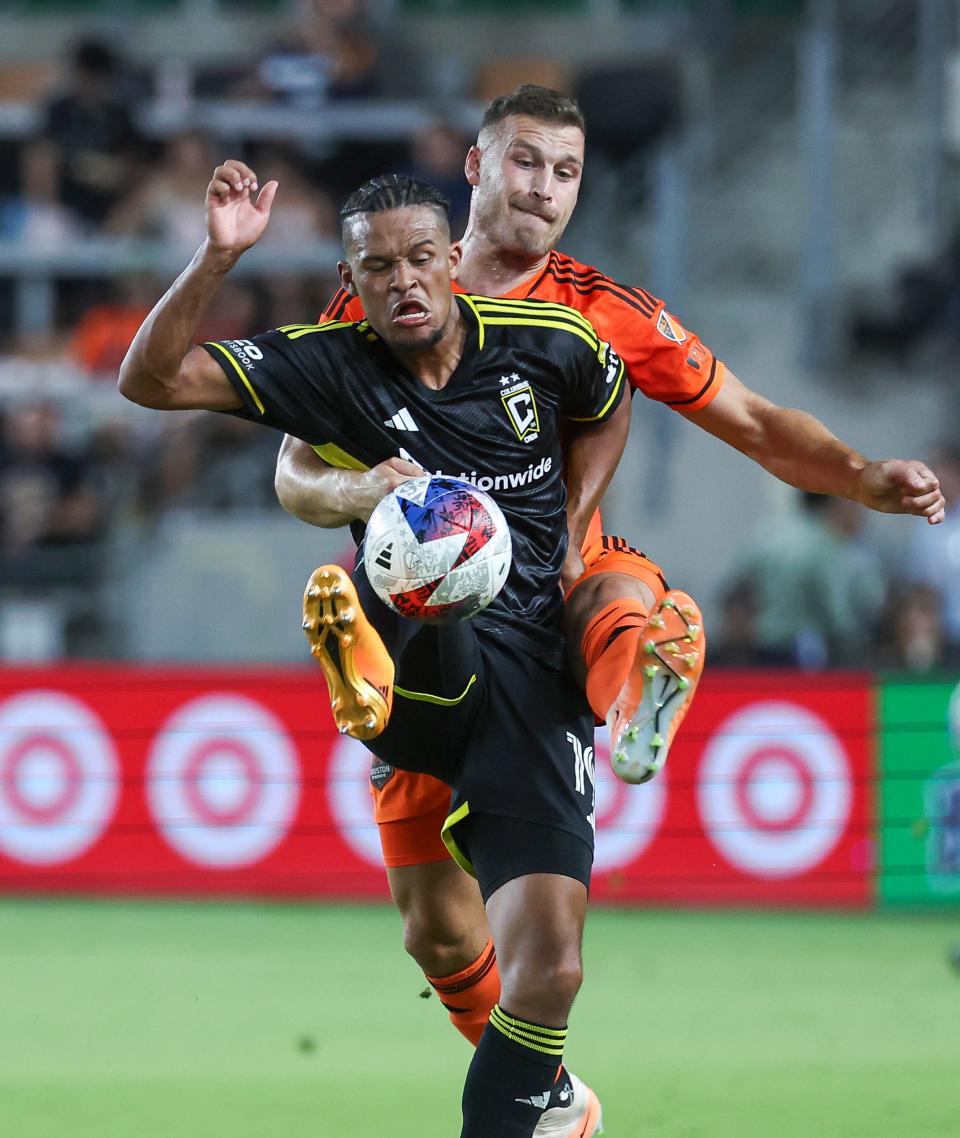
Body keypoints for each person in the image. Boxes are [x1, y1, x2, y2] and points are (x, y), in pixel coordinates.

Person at [273, 84, 946, 1090]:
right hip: (426, 624)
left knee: (609, 588)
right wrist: (358, 489)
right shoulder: (387, 286)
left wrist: (858, 476)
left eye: (568, 172)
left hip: (542, 614)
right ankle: (545, 1093)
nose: (545, 189)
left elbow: (754, 421)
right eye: (526, 162)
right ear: (476, 166)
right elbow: (290, 471)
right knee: (435, 934)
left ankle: (643, 676)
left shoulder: (602, 311)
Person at [119, 164, 627, 1137]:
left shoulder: (546, 344)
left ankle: (545, 1101)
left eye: (421, 259)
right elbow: (149, 381)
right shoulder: (331, 364)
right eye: (378, 265)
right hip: (422, 657)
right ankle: (368, 647)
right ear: (353, 275)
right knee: (422, 586)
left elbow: (607, 401)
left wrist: (572, 518)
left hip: (531, 683)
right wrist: (218, 255)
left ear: (455, 260)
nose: (403, 281)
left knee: (531, 963)